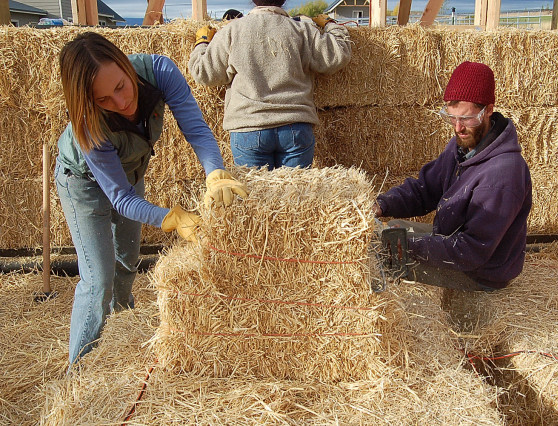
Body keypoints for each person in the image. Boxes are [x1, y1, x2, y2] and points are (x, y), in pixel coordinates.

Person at [55, 32, 248, 367]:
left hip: (130, 172)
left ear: (124, 63)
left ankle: (122, 324)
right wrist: (170, 218)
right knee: (98, 278)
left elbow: (197, 130)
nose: (120, 103)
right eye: (103, 99)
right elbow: (118, 198)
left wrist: (215, 173)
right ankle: (80, 368)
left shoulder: (159, 71)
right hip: (82, 185)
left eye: (120, 86)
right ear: (88, 102)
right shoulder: (87, 123)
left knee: (128, 258)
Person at [374, 61, 532, 292]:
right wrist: (381, 204)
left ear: (488, 110)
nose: (458, 128)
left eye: (467, 119)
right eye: (451, 117)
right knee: (394, 230)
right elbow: (424, 190)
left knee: (391, 254)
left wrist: (405, 247)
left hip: (480, 271)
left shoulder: (503, 174)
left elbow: (471, 251)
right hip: (454, 239)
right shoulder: (464, 146)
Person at [188, 0, 352, 170]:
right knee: (295, 196)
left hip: (249, 127)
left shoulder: (232, 31)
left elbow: (204, 73)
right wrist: (331, 24)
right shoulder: (302, 30)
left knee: (256, 195)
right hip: (295, 126)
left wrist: (201, 43)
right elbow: (337, 54)